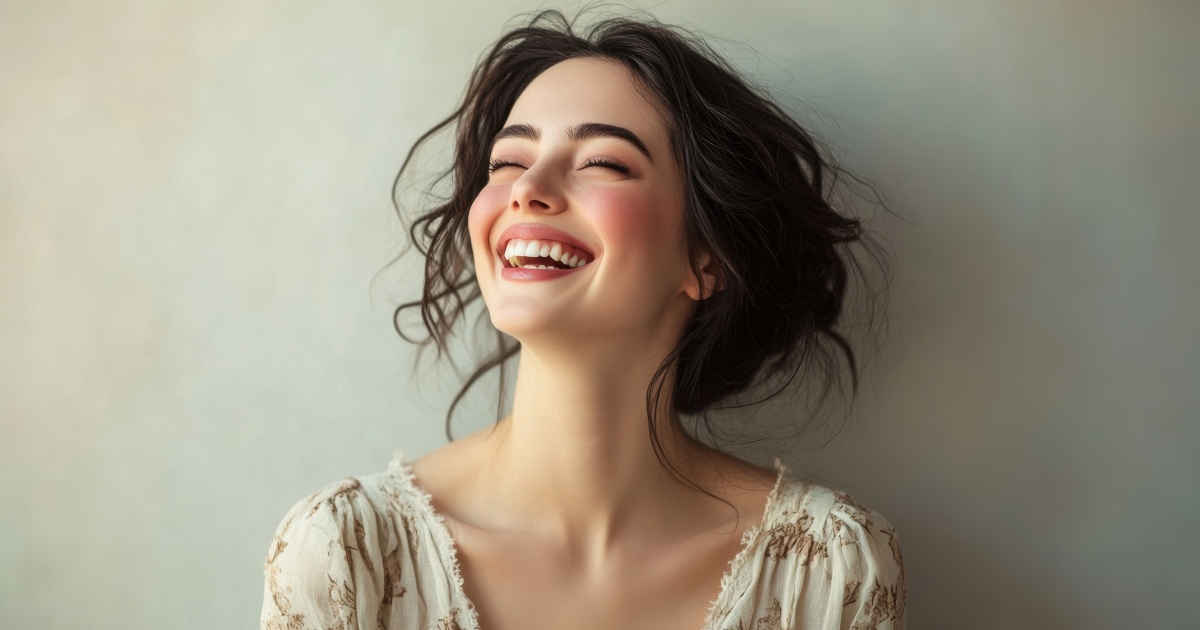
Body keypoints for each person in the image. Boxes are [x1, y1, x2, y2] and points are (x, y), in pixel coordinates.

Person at [261, 8, 905, 630]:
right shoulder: (347, 554)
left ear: (706, 259)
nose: (527, 187)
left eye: (603, 162)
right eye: (507, 162)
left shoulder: (827, 570)